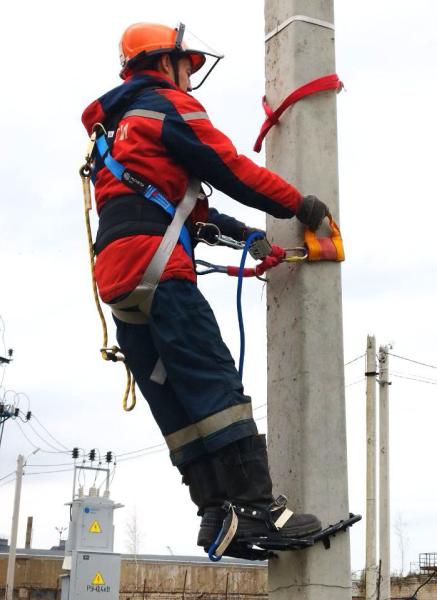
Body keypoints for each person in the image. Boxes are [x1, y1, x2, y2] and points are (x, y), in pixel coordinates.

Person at [81, 22, 330, 556]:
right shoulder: (166, 107)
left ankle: (217, 513)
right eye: (185, 66)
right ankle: (259, 510)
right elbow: (232, 167)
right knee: (216, 388)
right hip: (160, 270)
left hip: (120, 283)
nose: (190, 77)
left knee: (178, 402)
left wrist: (248, 238)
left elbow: (173, 210)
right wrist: (298, 205)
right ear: (163, 63)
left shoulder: (117, 129)